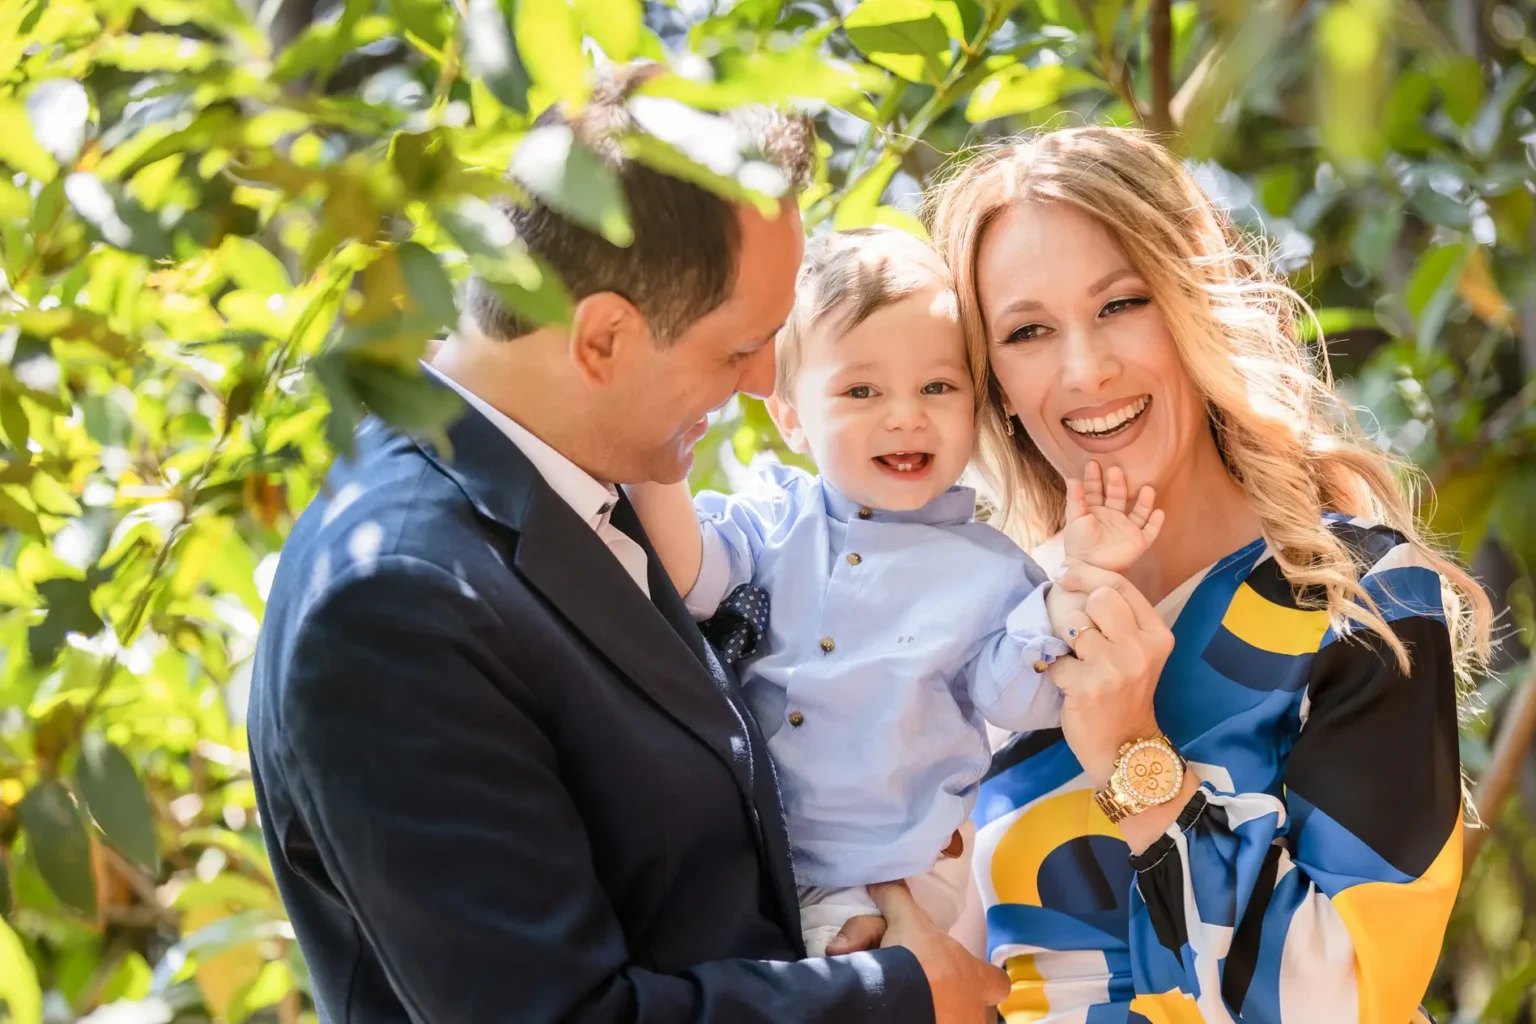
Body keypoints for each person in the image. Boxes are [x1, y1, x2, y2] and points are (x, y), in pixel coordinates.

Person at [246, 65, 1008, 1023]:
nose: (756, 385)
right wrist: (896, 994)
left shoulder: (583, 487)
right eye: (736, 352)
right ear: (603, 338)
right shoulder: (397, 598)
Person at [925, 125, 1492, 1023]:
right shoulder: (998, 629)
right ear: (992, 377)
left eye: (1121, 303)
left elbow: (1341, 1001)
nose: (1085, 369)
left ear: (1191, 301)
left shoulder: (1358, 598)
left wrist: (1134, 755)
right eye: (1028, 331)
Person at [627, 227, 1164, 959]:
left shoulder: (991, 571)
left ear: (975, 409)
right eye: (861, 390)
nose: (905, 414)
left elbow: (1020, 700)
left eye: (938, 387)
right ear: (790, 418)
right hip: (756, 855)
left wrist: (1079, 585)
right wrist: (655, 456)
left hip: (899, 874)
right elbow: (689, 577)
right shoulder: (769, 521)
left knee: (849, 972)